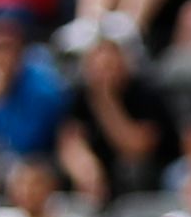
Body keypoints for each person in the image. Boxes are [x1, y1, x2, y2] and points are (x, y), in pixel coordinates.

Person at [58, 26, 177, 205]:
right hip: (99, 173)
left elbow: (137, 147)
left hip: (148, 172)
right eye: (96, 64)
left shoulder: (146, 93)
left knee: (132, 169)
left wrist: (106, 103)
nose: (102, 72)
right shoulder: (81, 95)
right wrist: (85, 168)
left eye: (108, 65)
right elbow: (70, 139)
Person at [0, 14, 70, 190]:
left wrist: (0, 100)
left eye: (6, 49)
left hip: (40, 159)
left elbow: (30, 139)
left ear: (20, 52)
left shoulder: (42, 86)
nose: (0, 58)